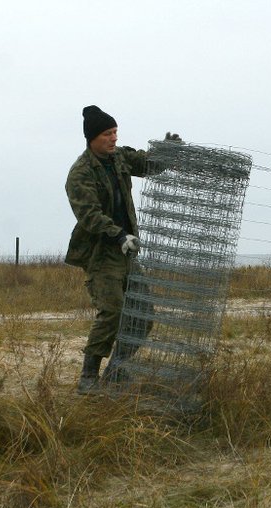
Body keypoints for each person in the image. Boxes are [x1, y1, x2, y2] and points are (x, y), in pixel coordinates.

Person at [65, 105, 180, 394]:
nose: (114, 138)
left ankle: (117, 370)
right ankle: (88, 376)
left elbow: (147, 164)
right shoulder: (80, 173)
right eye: (107, 133)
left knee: (143, 315)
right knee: (113, 312)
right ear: (92, 137)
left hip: (127, 251)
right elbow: (89, 215)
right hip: (101, 253)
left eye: (115, 132)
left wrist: (167, 152)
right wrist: (118, 236)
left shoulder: (119, 158)